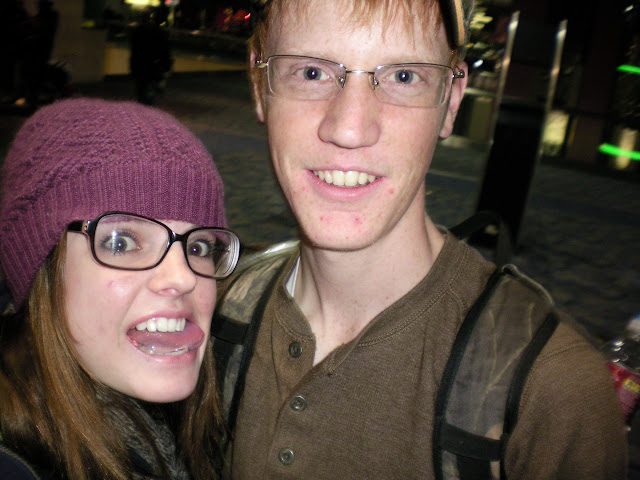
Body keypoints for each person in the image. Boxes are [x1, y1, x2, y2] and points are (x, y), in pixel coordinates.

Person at [213, 0, 629, 479]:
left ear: (450, 101)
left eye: (404, 77)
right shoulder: (214, 315)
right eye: (311, 73)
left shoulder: (553, 392)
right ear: (259, 86)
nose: (349, 128)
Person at [0, 98, 239, 479]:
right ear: (41, 266)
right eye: (122, 242)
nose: (183, 278)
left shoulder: (198, 422)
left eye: (198, 248)